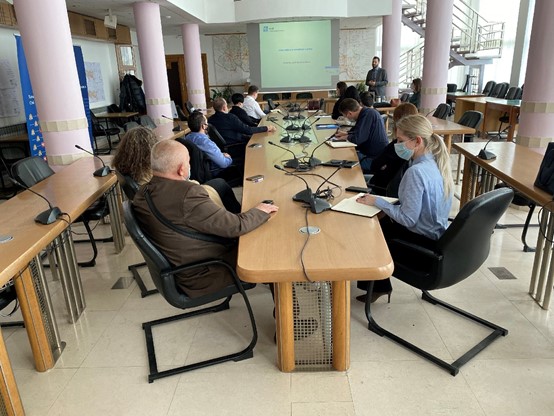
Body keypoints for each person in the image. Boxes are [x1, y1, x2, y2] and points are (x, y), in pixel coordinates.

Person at [133, 139, 278, 298]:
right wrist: (262, 210)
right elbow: (236, 227)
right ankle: (286, 314)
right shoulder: (188, 194)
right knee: (270, 250)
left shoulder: (143, 192)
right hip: (204, 274)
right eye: (188, 161)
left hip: (183, 268)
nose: (190, 166)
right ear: (182, 170)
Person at [356, 114, 454, 302]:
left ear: (417, 141)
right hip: (437, 237)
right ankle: (379, 286)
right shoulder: (435, 162)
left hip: (421, 247)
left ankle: (377, 286)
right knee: (381, 222)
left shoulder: (416, 172)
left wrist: (377, 201)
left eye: (400, 141)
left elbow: (408, 219)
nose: (397, 145)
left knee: (369, 233)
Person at [113, 126, 240, 213]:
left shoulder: (126, 168)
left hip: (170, 200)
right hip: (178, 201)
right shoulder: (151, 170)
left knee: (219, 184)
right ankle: (235, 214)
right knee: (221, 185)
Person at [367, 102, 418, 196]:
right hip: (382, 187)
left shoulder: (401, 147)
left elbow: (375, 166)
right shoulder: (410, 147)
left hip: (380, 191)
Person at [208, 97, 276, 160]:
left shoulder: (210, 119)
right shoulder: (230, 117)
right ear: (224, 107)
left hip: (222, 148)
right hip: (236, 145)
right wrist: (266, 128)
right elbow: (248, 130)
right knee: (259, 140)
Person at [335, 98, 388, 172]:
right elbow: (358, 131)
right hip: (370, 154)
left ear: (349, 113)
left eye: (345, 116)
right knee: (341, 158)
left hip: (374, 159)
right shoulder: (365, 112)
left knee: (342, 163)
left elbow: (357, 139)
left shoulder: (368, 114)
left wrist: (346, 137)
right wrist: (347, 133)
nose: (346, 118)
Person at [186, 111, 233, 176]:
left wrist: (221, 155)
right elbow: (224, 164)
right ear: (203, 126)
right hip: (213, 172)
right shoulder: (206, 143)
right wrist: (228, 158)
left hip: (196, 172)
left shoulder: (187, 138)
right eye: (206, 123)